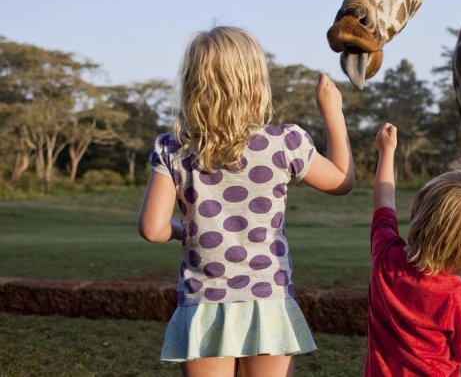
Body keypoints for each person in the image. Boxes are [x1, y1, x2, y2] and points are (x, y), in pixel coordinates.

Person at [137, 26, 354, 376]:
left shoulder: (172, 148)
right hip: (268, 299)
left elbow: (152, 228)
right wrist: (333, 111)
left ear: (193, 85)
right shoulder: (286, 143)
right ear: (255, 82)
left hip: (205, 302)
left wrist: (183, 229)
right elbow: (343, 181)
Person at [366, 123, 461, 376]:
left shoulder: (385, 256)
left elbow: (384, 200)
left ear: (417, 213)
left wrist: (386, 151)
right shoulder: (457, 295)